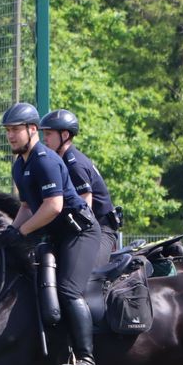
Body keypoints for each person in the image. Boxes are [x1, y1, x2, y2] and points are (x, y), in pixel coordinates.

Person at [0, 102, 104, 365]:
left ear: (32, 129)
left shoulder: (45, 160)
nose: (10, 136)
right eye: (8, 131)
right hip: (56, 234)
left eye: (15, 130)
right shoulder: (20, 166)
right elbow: (26, 205)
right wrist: (11, 230)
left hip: (79, 233)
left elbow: (53, 206)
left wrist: (21, 233)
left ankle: (86, 360)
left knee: (68, 291)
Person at [38, 108, 122, 257]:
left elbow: (85, 208)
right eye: (44, 134)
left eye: (49, 134)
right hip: (87, 227)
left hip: (102, 230)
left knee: (88, 274)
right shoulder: (62, 162)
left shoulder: (74, 165)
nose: (45, 139)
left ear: (64, 135)